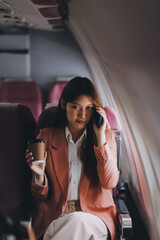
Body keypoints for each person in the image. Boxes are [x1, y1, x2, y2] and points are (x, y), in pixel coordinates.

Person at [25, 77, 119, 240]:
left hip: (95, 218)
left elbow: (109, 183)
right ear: (63, 105)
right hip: (55, 218)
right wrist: (39, 175)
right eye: (76, 107)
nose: (83, 115)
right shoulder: (46, 137)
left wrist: (100, 138)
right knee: (74, 224)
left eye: (89, 108)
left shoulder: (106, 137)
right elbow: (39, 196)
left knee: (78, 221)